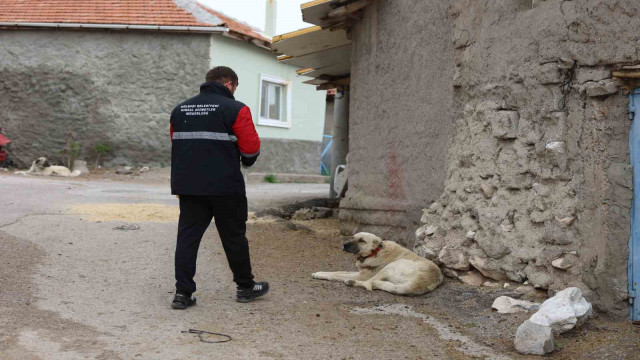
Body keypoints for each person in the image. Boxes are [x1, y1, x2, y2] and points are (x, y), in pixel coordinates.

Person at [169, 66, 268, 309]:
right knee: (233, 237)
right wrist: (246, 160)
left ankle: (183, 293)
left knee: (187, 238)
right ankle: (245, 287)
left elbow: (177, 142)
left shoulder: (180, 109)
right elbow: (251, 146)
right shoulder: (236, 108)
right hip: (226, 187)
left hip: (190, 187)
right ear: (230, 85)